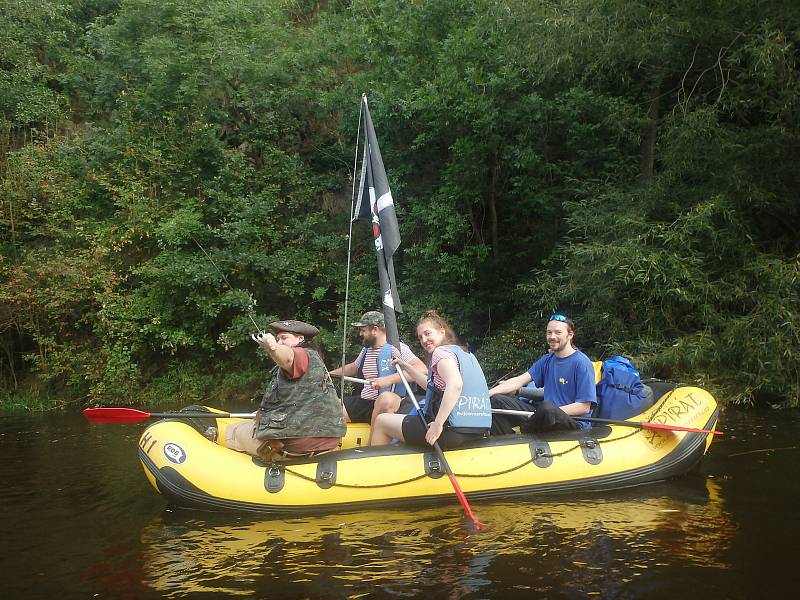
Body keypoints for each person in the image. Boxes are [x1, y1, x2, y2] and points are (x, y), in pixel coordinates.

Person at [224, 320, 346, 461]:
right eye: (278, 339)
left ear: (300, 339)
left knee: (232, 431)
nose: (280, 342)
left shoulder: (300, 355)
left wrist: (274, 347)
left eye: (284, 338)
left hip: (297, 445)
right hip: (326, 441)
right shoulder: (316, 359)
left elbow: (288, 357)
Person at [371, 310, 492, 449]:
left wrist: (438, 424)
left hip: (449, 431)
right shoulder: (464, 354)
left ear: (442, 332)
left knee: (381, 421)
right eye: (420, 337)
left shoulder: (441, 353)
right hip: (475, 430)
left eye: (427, 333)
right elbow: (432, 387)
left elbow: (456, 385)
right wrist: (407, 367)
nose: (424, 340)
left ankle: (372, 466)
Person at [489, 313, 597, 434]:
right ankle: (507, 441)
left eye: (558, 332)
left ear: (570, 335)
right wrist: (487, 394)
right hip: (543, 416)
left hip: (572, 422)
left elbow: (584, 406)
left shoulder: (582, 363)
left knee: (547, 408)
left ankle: (527, 431)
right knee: (496, 401)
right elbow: (519, 381)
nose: (552, 336)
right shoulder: (547, 359)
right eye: (549, 332)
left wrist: (542, 414)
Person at [329, 310, 427, 434]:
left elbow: (422, 369)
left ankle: (373, 443)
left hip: (390, 403)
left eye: (363, 330)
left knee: (385, 399)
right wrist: (327, 375)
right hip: (365, 402)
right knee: (328, 405)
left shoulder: (396, 347)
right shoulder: (366, 350)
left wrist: (387, 380)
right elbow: (353, 367)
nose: (360, 334)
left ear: (374, 330)